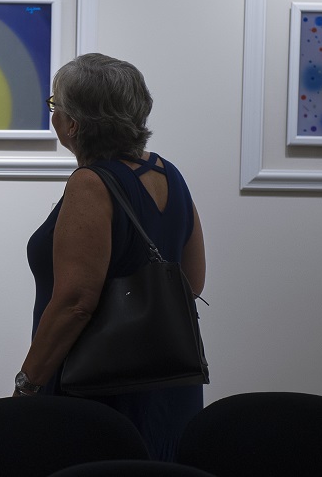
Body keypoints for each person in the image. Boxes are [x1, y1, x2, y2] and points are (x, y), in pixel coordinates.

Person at [13, 53, 207, 460]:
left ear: (73, 123)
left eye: (56, 105)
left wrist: (27, 384)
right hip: (168, 383)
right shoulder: (169, 174)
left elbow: (75, 303)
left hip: (100, 387)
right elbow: (192, 281)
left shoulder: (90, 184)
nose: (54, 115)